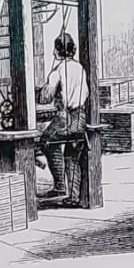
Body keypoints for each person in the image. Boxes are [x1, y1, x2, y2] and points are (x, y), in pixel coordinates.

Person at [39, 30, 90, 203]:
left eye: (55, 49)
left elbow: (45, 97)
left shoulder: (57, 71)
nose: (53, 53)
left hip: (65, 117)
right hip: (80, 117)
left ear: (59, 50)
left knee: (46, 141)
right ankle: (74, 197)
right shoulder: (80, 68)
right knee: (72, 155)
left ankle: (60, 185)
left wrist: (43, 90)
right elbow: (86, 93)